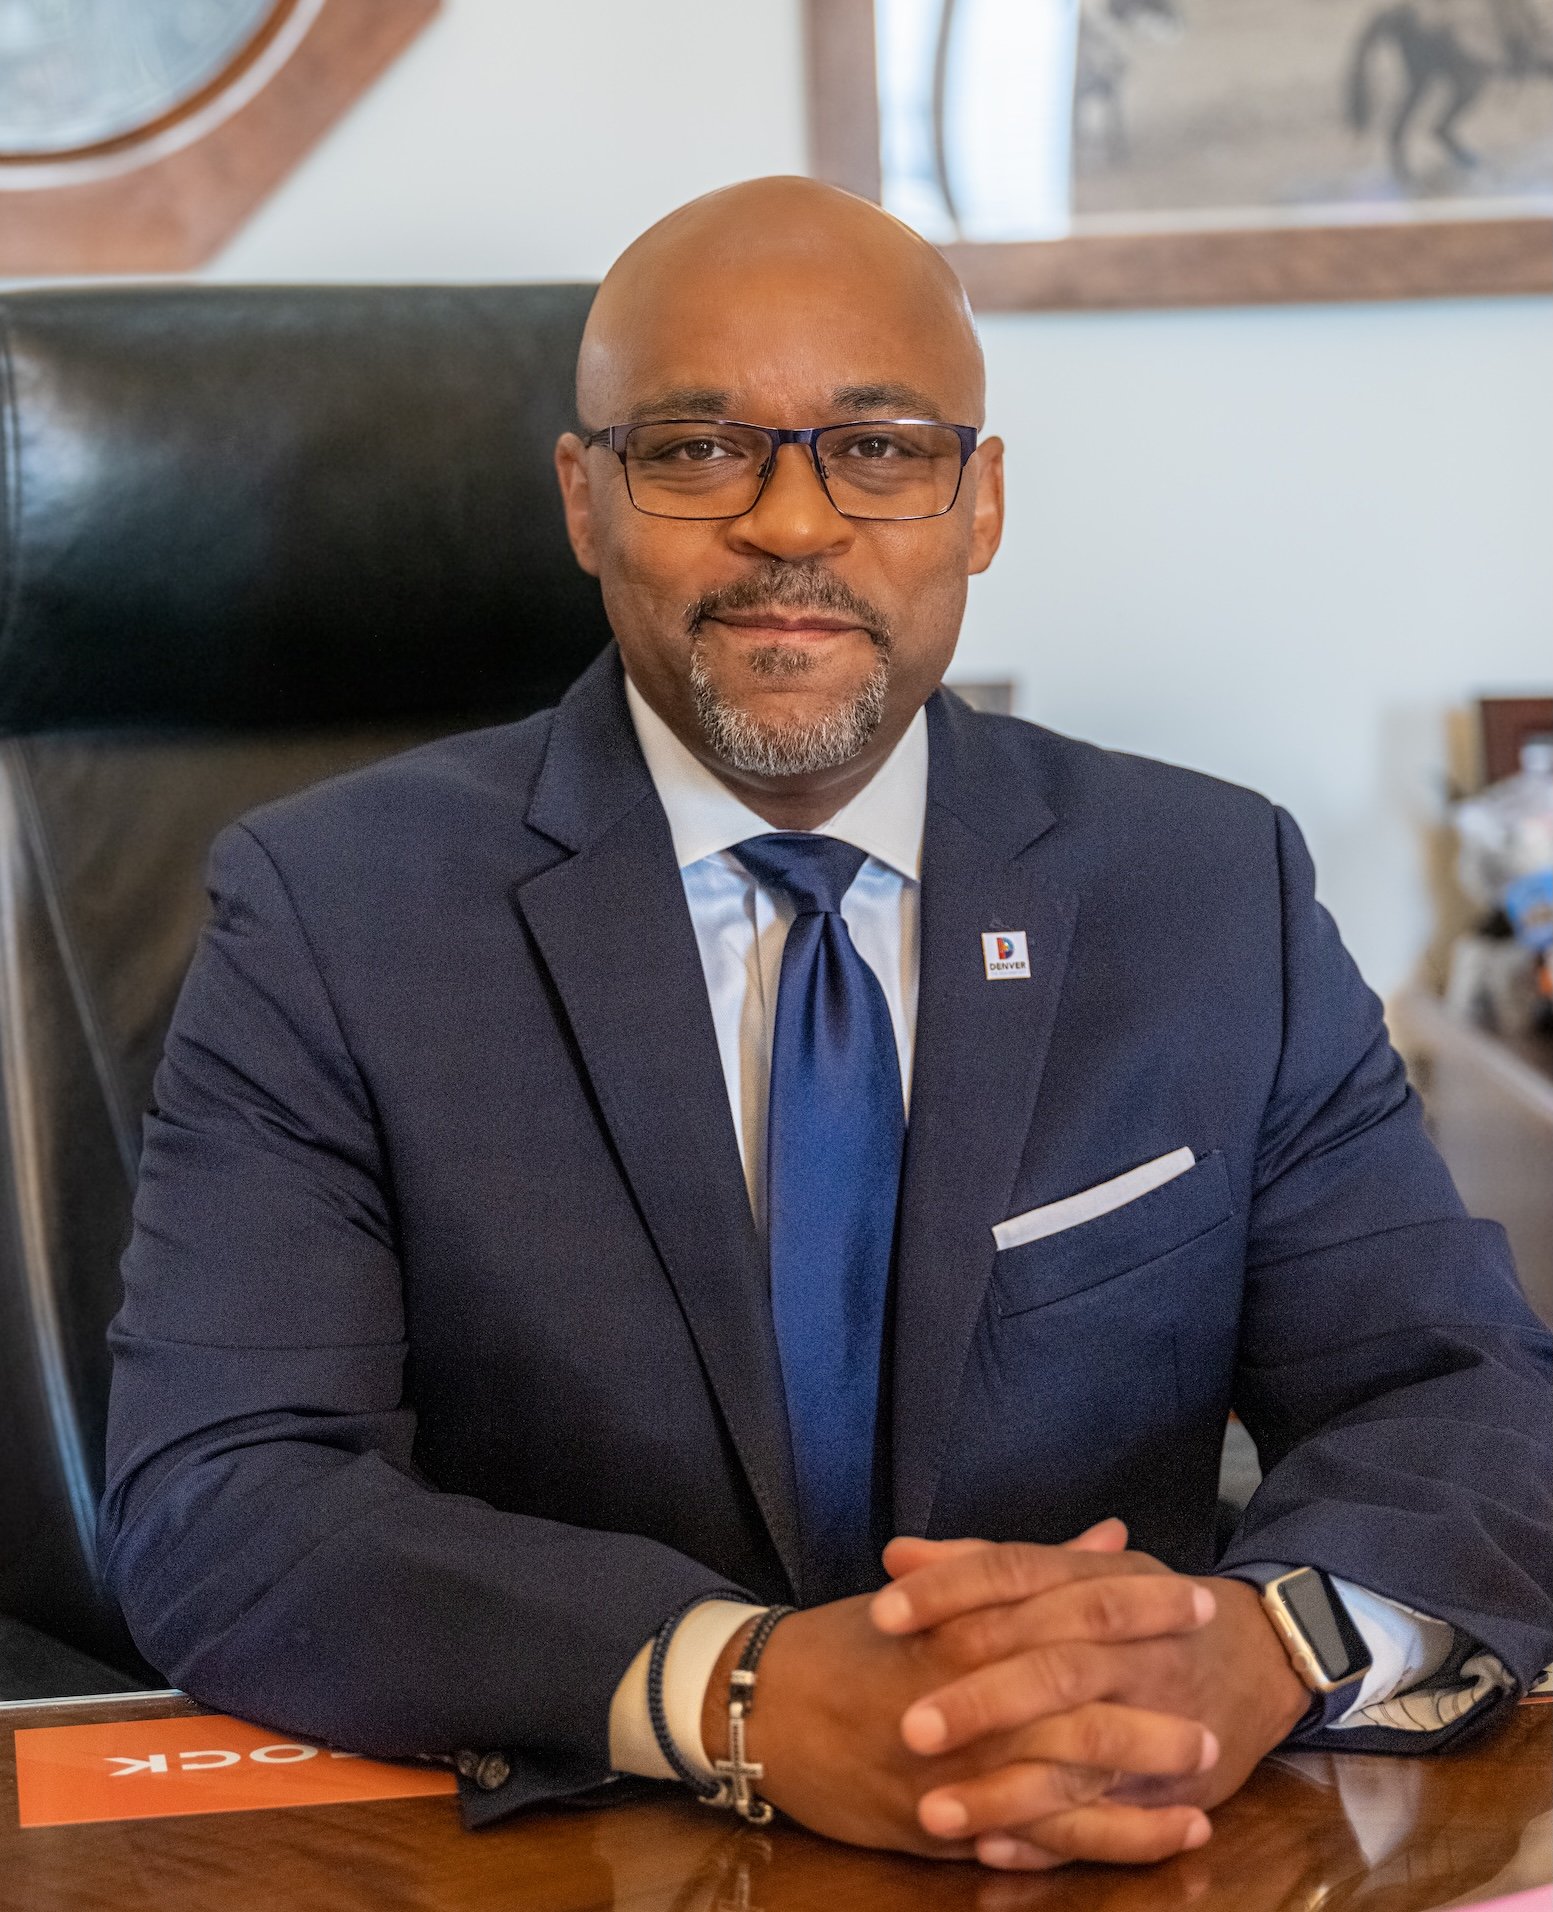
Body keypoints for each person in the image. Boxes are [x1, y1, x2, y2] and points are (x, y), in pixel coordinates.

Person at [100, 177, 1553, 1874]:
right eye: (697, 447)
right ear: (583, 499)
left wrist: (1265, 1645)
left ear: (980, 499)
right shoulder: (330, 911)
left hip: (1120, 1842)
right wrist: (741, 1691)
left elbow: (1460, 1393)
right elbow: (225, 1499)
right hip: (570, 1857)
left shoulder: (1201, 886)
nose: (791, 523)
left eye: (878, 449)